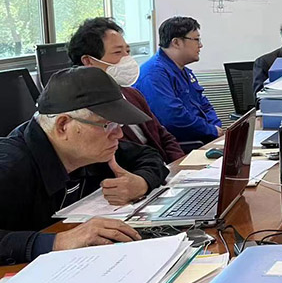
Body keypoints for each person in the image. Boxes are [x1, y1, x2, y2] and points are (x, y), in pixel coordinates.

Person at [0, 67, 170, 265]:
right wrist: (59, 241)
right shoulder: (10, 166)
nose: (119, 134)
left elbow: (148, 155)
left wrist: (142, 182)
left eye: (119, 125)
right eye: (108, 125)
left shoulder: (88, 150)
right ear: (63, 126)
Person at [67, 17, 185, 163]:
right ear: (88, 61)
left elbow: (163, 135)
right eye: (118, 52)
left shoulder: (131, 94)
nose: (127, 59)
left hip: (164, 170)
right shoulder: (86, 110)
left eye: (127, 51)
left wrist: (180, 165)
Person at [135, 16, 222, 143]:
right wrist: (211, 130)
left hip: (204, 137)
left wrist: (216, 127)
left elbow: (204, 105)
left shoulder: (184, 71)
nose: (200, 45)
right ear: (176, 43)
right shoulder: (154, 74)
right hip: (182, 145)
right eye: (196, 40)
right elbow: (173, 118)